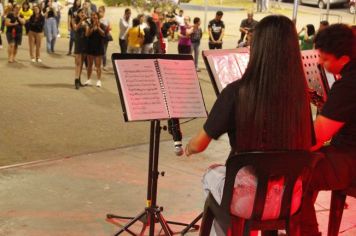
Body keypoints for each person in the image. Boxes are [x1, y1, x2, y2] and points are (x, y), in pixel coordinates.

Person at [185, 15, 312, 234]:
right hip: (290, 199)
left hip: (247, 201)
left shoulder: (236, 92)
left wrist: (187, 147)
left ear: (257, 48)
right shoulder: (301, 97)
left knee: (211, 175)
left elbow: (199, 145)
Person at [300, 24, 356, 236]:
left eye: (324, 59)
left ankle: (306, 232)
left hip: (350, 159)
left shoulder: (349, 85)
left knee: (293, 175)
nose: (319, 63)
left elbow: (316, 138)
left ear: (343, 58)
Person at [85, 11, 106, 87]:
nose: (94, 17)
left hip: (99, 47)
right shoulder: (89, 25)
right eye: (92, 16)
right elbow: (87, 34)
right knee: (89, 65)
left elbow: (103, 34)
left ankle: (99, 80)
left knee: (98, 65)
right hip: (90, 47)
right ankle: (88, 79)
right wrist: (93, 27)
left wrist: (98, 27)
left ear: (98, 17)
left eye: (95, 15)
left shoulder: (102, 25)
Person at [72, 8, 88, 89]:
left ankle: (79, 79)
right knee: (77, 63)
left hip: (85, 43)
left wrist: (87, 23)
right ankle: (76, 81)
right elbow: (75, 28)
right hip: (78, 42)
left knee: (81, 63)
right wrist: (81, 20)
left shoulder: (86, 21)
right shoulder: (74, 20)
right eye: (81, 12)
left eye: (84, 12)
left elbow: (87, 33)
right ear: (78, 13)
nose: (83, 14)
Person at [98, 5, 111, 70]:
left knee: (104, 51)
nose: (99, 13)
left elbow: (110, 27)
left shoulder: (106, 19)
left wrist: (106, 28)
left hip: (105, 37)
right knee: (98, 51)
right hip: (97, 37)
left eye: (100, 11)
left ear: (103, 12)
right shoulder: (96, 18)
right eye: (98, 11)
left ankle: (104, 65)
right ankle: (97, 65)